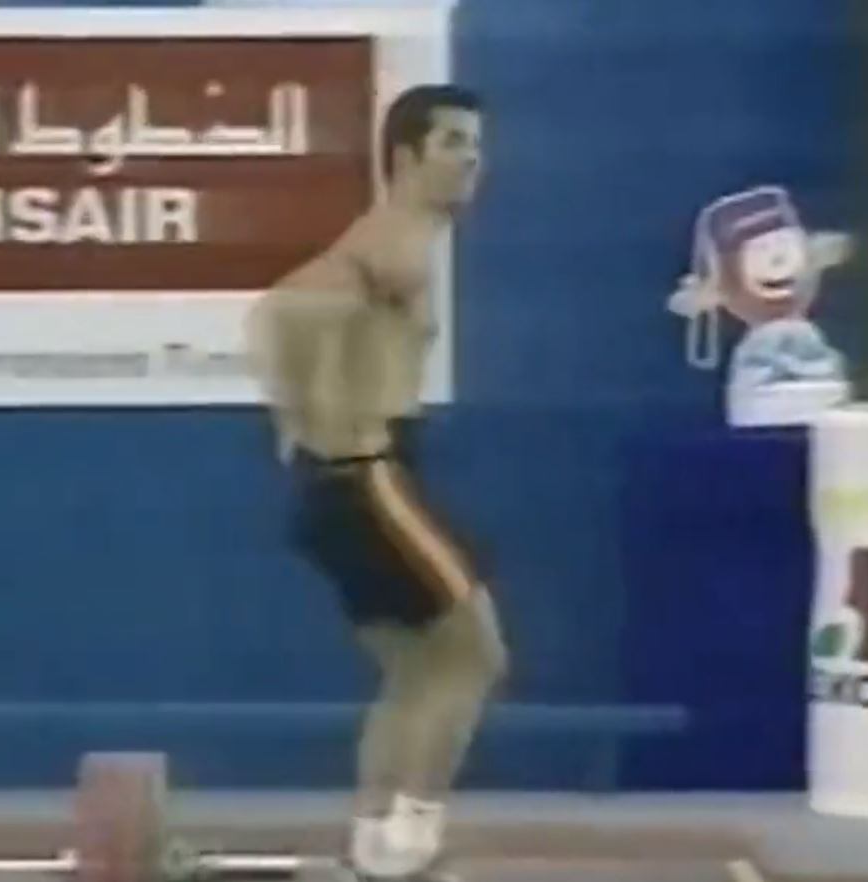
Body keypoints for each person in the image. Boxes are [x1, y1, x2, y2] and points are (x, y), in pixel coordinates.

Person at [245, 84, 508, 881]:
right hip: (368, 478)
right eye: (453, 143)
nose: (471, 160)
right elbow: (280, 309)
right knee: (475, 657)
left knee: (413, 672)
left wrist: (295, 422)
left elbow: (280, 315)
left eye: (476, 144)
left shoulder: (403, 240)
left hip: (340, 486)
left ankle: (373, 844)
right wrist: (310, 417)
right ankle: (412, 843)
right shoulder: (393, 242)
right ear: (404, 156)